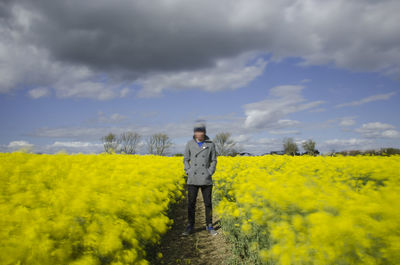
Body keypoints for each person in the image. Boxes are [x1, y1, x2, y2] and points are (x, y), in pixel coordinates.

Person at [182, 122, 218, 236]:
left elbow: (214, 160)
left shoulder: (210, 144)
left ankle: (210, 225)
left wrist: (210, 172)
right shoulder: (189, 144)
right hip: (193, 178)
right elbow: (185, 159)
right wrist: (188, 170)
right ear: (194, 133)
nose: (199, 133)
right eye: (197, 131)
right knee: (191, 203)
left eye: (201, 131)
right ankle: (190, 225)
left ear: (204, 132)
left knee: (208, 203)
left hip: (206, 178)